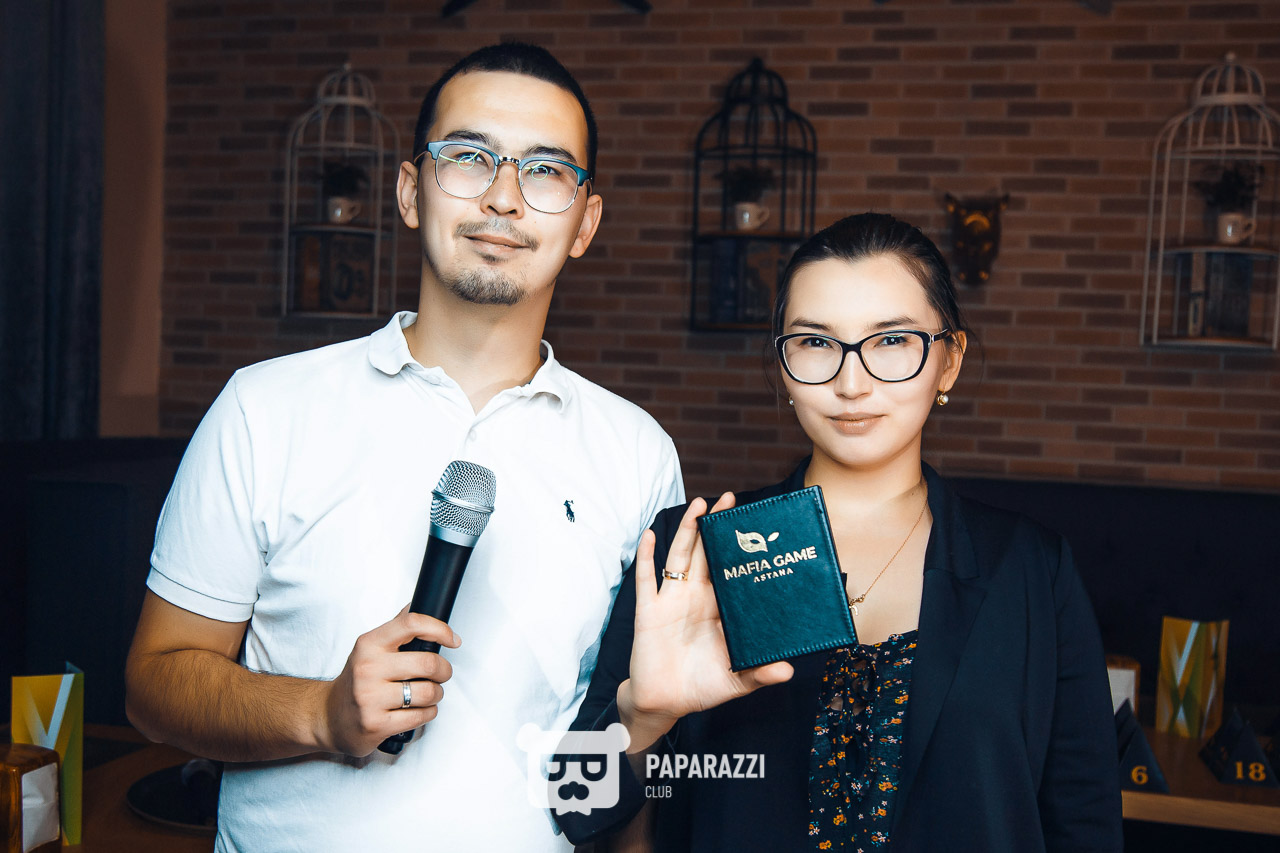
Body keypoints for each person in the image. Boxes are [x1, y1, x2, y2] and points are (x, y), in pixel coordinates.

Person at [124, 43, 683, 852]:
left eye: (546, 171)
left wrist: (643, 728)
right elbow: (153, 685)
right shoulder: (265, 408)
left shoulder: (638, 454)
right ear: (411, 191)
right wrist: (320, 713)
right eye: (469, 157)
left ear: (585, 223)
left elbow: (609, 764)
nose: (503, 197)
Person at [556, 213, 1123, 852]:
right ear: (782, 364)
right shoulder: (693, 551)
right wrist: (641, 720)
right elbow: (576, 807)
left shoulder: (1030, 569)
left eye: (892, 341)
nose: (852, 384)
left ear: (949, 361)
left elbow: (1085, 822)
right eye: (816, 343)